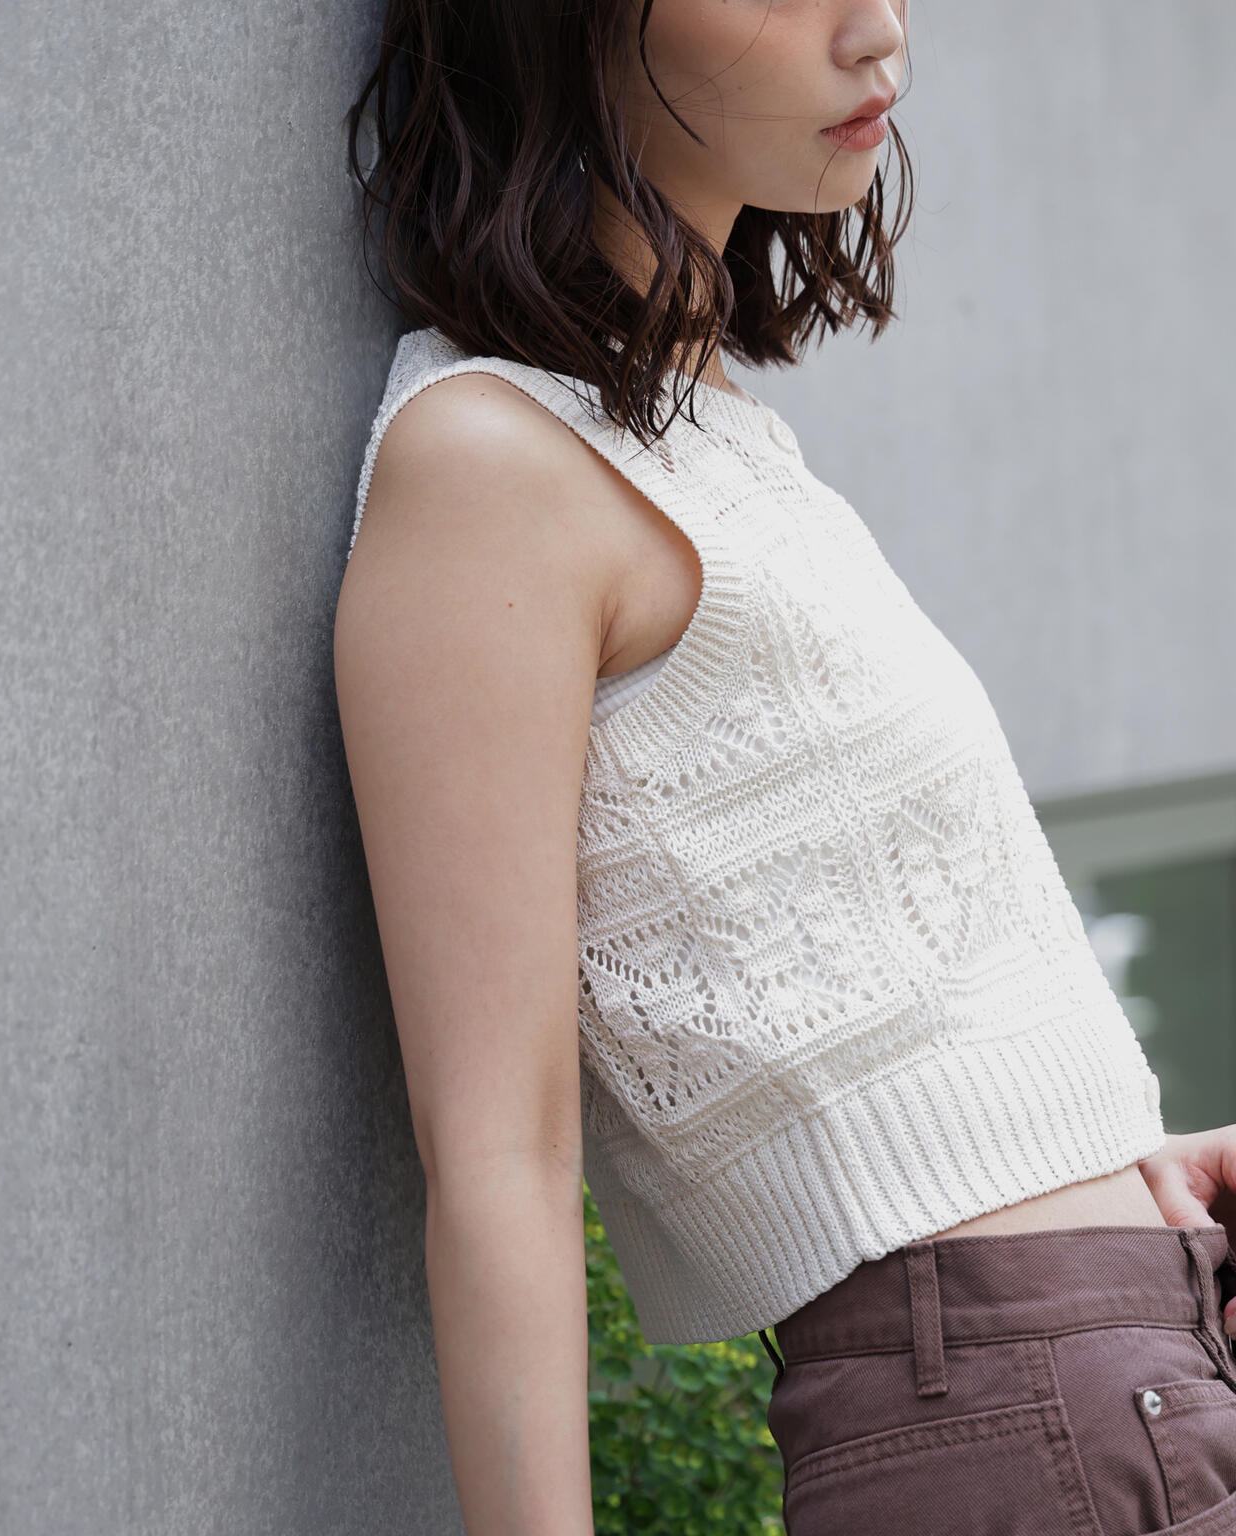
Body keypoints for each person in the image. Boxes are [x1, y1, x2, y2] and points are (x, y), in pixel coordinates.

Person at [332, 2, 1236, 1532]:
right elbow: (498, 1160)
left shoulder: (716, 436)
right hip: (1028, 1412)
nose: (878, 31)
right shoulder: (488, 466)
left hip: (1118, 1366)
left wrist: (1120, 1180)